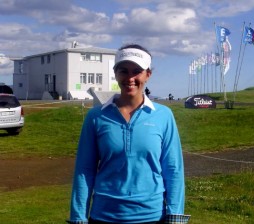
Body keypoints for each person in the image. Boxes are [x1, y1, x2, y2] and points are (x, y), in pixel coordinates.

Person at [68, 44, 190, 224]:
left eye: (137, 71)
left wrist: (175, 218)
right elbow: (84, 171)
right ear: (115, 73)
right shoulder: (96, 116)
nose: (130, 78)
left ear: (148, 74)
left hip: (152, 216)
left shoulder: (163, 116)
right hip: (104, 216)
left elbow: (173, 170)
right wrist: (78, 217)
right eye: (123, 71)